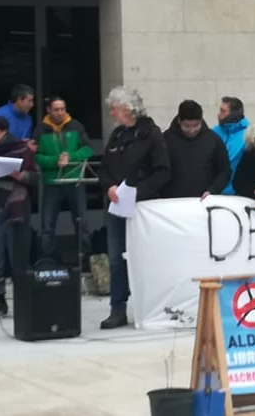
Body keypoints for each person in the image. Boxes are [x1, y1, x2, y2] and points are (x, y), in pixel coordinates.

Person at [97, 87, 170, 330]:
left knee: (145, 258)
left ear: (127, 109)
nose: (111, 113)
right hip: (117, 205)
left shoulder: (151, 134)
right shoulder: (117, 135)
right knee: (116, 258)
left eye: (114, 108)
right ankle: (117, 309)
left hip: (143, 206)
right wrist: (108, 187)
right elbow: (104, 167)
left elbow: (162, 170)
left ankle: (152, 306)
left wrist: (139, 191)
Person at [0, 116, 40, 319]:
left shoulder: (21, 149)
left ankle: (23, 300)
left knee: (17, 255)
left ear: (3, 132)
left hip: (15, 209)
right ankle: (0, 302)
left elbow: (36, 177)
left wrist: (20, 176)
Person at [34, 96, 94, 264]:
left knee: (82, 221)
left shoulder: (76, 126)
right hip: (52, 182)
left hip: (75, 180)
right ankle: (48, 259)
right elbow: (36, 156)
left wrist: (71, 157)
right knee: (47, 223)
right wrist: (55, 161)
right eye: (56, 109)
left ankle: (85, 259)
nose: (60, 113)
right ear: (48, 110)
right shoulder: (40, 130)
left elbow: (88, 149)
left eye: (62, 109)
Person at [161, 100, 231, 199]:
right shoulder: (165, 140)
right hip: (172, 202)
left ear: (201, 121)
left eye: (196, 125)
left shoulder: (213, 140)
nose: (191, 130)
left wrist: (213, 190)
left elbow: (224, 171)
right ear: (179, 121)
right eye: (187, 126)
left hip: (203, 202)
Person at [214, 97, 249, 195]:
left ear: (233, 114)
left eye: (223, 111)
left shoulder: (249, 134)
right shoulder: (214, 132)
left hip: (239, 192)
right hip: (215, 190)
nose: (218, 115)